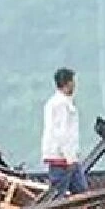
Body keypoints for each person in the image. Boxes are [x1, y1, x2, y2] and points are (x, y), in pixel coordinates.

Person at [41, 67, 87, 198]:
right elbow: (62, 133)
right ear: (68, 83)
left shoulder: (58, 102)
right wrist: (69, 157)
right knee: (58, 194)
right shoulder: (61, 104)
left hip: (67, 157)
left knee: (82, 192)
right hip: (62, 158)